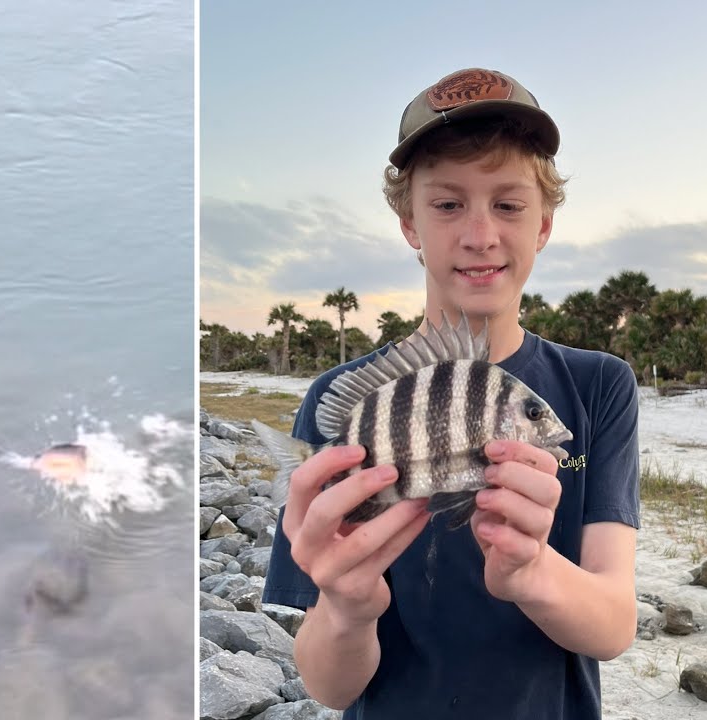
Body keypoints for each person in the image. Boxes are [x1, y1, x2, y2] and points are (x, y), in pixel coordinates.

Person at [260, 68, 641, 719]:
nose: (480, 234)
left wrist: (530, 574)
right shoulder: (341, 399)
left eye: (510, 204)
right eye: (447, 204)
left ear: (544, 224)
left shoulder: (600, 386)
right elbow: (329, 685)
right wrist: (349, 609)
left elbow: (613, 626)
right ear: (410, 223)